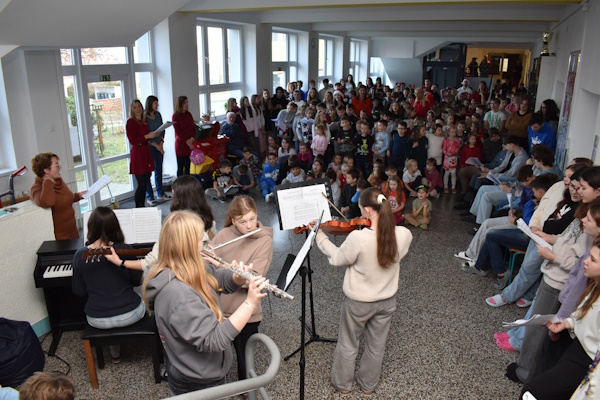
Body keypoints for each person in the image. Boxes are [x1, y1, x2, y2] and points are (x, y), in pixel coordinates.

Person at [143, 211, 268, 396]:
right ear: (186, 245)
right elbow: (214, 340)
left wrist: (238, 277)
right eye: (199, 239)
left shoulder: (187, 265)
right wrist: (249, 303)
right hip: (197, 379)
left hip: (196, 367)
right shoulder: (178, 294)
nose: (204, 243)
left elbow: (215, 277)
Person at [314, 187, 413, 396]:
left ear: (368, 210)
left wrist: (320, 236)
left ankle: (343, 386)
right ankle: (368, 386)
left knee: (348, 343)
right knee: (377, 346)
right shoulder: (404, 234)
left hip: (358, 303)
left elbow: (337, 258)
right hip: (387, 302)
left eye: (360, 208)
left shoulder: (358, 238)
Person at [522, 242, 600, 398]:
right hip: (577, 349)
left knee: (531, 392)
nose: (585, 261)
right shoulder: (594, 286)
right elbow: (585, 315)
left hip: (588, 360)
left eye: (593, 260)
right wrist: (567, 323)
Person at [210, 196, 273, 384]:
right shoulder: (223, 234)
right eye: (242, 221)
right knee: (214, 358)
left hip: (246, 311)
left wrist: (219, 265)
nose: (249, 226)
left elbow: (255, 276)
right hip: (220, 309)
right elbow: (209, 271)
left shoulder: (264, 240)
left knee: (245, 359)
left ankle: (247, 390)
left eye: (252, 219)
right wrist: (207, 259)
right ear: (233, 220)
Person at [72, 207, 145, 362]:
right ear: (115, 226)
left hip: (97, 319)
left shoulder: (80, 255)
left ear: (91, 227)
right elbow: (137, 281)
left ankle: (115, 352)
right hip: (130, 315)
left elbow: (79, 291)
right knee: (145, 296)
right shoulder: (125, 249)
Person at [106, 175, 216, 274]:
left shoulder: (174, 228)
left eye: (173, 194)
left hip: (179, 277)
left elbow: (150, 263)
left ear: (179, 199)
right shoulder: (210, 222)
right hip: (203, 273)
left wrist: (121, 262)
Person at [29, 152, 85, 240]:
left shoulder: (58, 181)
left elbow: (65, 199)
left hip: (73, 232)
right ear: (46, 170)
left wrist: (78, 196)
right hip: (59, 238)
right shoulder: (36, 188)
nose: (60, 167)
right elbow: (48, 202)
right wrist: (47, 181)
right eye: (56, 165)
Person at [125, 99, 156, 208]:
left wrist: (153, 135)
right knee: (141, 183)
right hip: (138, 154)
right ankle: (139, 206)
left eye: (139, 107)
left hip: (146, 151)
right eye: (135, 107)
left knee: (146, 179)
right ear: (132, 110)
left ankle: (142, 206)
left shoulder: (144, 120)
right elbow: (133, 140)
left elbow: (146, 136)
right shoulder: (130, 122)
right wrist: (147, 136)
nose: (138, 109)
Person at [144, 95, 170, 205]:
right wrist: (157, 145)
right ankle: (150, 196)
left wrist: (161, 143)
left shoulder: (158, 114)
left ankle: (160, 193)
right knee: (148, 173)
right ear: (150, 104)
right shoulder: (145, 117)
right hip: (150, 147)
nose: (157, 105)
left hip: (159, 145)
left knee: (159, 170)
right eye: (155, 103)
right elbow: (146, 135)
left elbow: (163, 129)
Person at [172, 96, 195, 177]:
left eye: (187, 102)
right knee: (181, 167)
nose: (187, 104)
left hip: (189, 144)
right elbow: (178, 132)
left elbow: (193, 129)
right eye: (185, 102)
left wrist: (192, 139)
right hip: (181, 145)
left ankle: (187, 184)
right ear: (180, 104)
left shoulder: (189, 115)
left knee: (188, 167)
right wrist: (188, 142)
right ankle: (180, 184)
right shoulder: (175, 116)